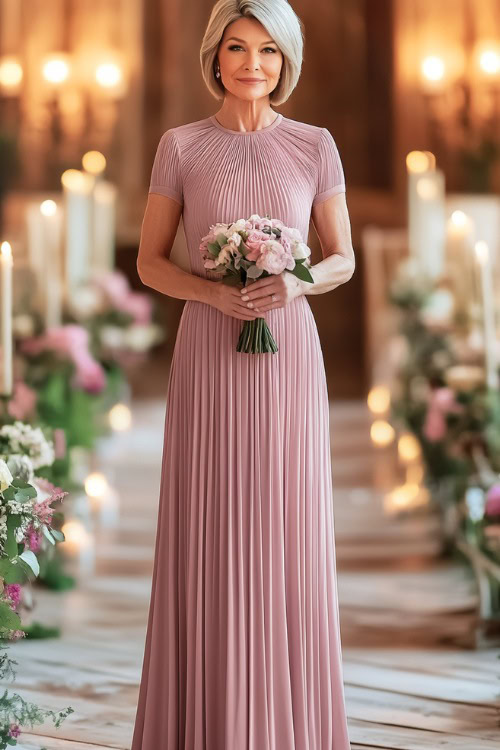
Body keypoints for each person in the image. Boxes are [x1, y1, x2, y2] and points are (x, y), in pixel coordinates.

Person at [131, 0, 354, 747]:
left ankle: (288, 725)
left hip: (290, 355)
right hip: (206, 355)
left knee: (287, 529)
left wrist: (297, 283)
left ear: (285, 61)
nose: (252, 63)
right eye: (237, 47)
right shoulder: (180, 146)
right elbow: (151, 261)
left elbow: (342, 257)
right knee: (212, 522)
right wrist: (214, 293)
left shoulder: (316, 145)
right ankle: (206, 723)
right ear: (215, 58)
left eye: (267, 49)